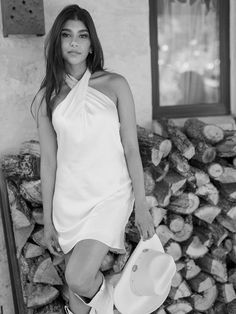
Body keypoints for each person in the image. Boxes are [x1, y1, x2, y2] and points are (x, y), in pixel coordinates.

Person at [31, 4, 155, 314]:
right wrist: (47, 220)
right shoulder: (47, 98)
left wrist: (141, 204)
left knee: (78, 276)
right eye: (67, 35)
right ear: (58, 43)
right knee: (76, 290)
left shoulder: (115, 85)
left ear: (91, 44)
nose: (74, 42)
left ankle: (110, 300)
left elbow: (129, 146)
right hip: (69, 200)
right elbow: (49, 161)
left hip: (110, 194)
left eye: (82, 36)